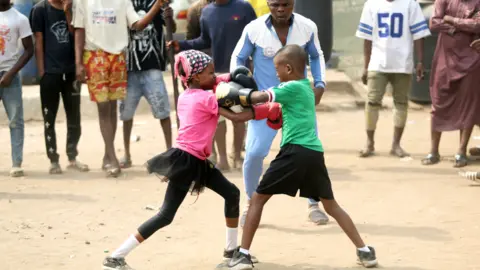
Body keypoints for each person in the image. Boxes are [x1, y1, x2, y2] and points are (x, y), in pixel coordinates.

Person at [102, 50, 277, 270]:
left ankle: (231, 251)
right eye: (210, 73)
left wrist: (230, 75)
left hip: (197, 159)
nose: (214, 76)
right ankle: (116, 257)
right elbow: (236, 115)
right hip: (187, 161)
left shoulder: (188, 94)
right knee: (165, 215)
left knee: (231, 194)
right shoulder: (206, 98)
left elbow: (217, 82)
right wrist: (269, 103)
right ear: (195, 77)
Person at [226, 44, 378, 270]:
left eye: (277, 69)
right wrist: (227, 110)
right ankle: (365, 252)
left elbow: (259, 97)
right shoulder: (306, 87)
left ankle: (244, 255)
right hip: (314, 153)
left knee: (257, 199)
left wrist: (233, 93)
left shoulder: (290, 87)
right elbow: (262, 111)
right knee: (331, 205)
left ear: (287, 68)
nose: (276, 73)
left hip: (294, 152)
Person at [230, 0, 329, 226]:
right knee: (254, 154)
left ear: (293, 3)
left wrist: (320, 84)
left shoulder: (307, 27)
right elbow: (238, 57)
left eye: (285, 4)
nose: (280, 9)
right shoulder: (253, 29)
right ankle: (250, 201)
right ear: (268, 3)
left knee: (309, 154)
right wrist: (242, 85)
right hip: (266, 105)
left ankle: (314, 203)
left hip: (298, 105)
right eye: (275, 5)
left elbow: (316, 55)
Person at [71, 0, 166, 177]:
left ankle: (108, 155)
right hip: (94, 56)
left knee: (112, 108)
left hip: (118, 57)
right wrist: (78, 63)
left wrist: (157, 5)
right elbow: (79, 30)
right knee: (103, 107)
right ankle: (112, 157)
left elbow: (137, 24)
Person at [169, 0, 257, 171]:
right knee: (218, 118)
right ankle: (222, 158)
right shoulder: (207, 12)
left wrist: (255, 65)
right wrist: (182, 45)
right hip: (214, 74)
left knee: (239, 115)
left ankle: (237, 155)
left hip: (239, 72)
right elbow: (204, 40)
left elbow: (256, 37)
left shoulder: (244, 7)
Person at [356, 0, 430, 158]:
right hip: (378, 63)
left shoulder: (410, 4)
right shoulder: (372, 4)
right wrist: (366, 65)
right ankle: (369, 142)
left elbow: (419, 35)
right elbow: (367, 38)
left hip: (402, 63)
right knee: (372, 101)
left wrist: (420, 62)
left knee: (401, 102)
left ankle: (396, 144)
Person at [30, 0, 89, 174]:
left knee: (74, 116)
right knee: (50, 118)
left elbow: (75, 34)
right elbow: (38, 41)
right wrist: (42, 72)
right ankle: (53, 159)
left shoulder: (74, 7)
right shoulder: (40, 10)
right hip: (50, 73)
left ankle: (72, 156)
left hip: (71, 72)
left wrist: (67, 11)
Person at [421, 0, 480, 168]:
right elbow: (434, 23)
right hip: (445, 60)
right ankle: (433, 151)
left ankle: (461, 151)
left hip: (472, 61)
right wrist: (459, 27)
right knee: (438, 103)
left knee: (468, 106)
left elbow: (477, 25)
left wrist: (451, 20)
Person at [118, 1, 175, 168]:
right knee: (126, 114)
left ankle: (170, 151)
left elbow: (172, 27)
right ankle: (127, 154)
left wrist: (168, 16)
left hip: (152, 67)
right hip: (129, 68)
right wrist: (157, 6)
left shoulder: (155, 2)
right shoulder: (125, 3)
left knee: (163, 111)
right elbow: (135, 26)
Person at [0, 0, 34, 177]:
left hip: (9, 75)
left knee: (15, 120)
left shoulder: (19, 19)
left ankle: (16, 163)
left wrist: (11, 73)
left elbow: (29, 50)